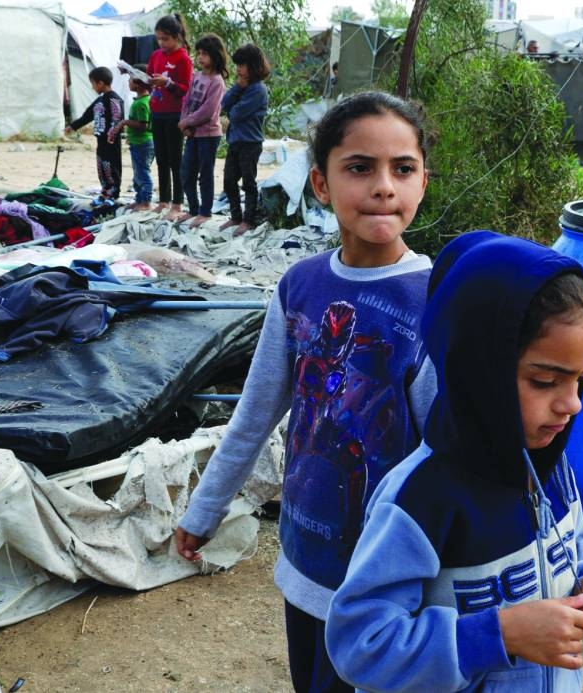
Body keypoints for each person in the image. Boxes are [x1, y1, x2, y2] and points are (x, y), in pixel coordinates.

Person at [174, 91, 437, 693]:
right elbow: (255, 413)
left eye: (403, 168)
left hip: (387, 576)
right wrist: (204, 508)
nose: (383, 187)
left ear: (424, 181)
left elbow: (445, 454)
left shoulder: (433, 301)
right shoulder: (300, 287)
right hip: (304, 557)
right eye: (359, 167)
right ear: (320, 184)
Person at [325, 230, 583, 692]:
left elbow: (558, 567)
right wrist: (501, 634)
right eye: (544, 381)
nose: (572, 404)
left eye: (581, 379)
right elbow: (361, 644)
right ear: (479, 372)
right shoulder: (420, 500)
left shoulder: (550, 470)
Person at [176, 33, 227, 227]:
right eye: (198, 53)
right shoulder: (196, 77)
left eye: (205, 53)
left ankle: (205, 212)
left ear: (215, 55)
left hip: (209, 134)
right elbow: (187, 101)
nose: (200, 57)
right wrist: (184, 123)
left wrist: (188, 122)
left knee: (205, 173)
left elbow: (208, 110)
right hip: (192, 133)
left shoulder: (217, 81)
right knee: (186, 172)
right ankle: (193, 208)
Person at [219, 43, 269, 236]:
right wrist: (237, 89)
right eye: (237, 65)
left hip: (250, 143)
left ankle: (249, 220)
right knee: (229, 181)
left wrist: (232, 107)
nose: (238, 69)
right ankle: (235, 216)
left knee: (249, 182)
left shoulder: (258, 89)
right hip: (235, 141)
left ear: (253, 66)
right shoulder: (241, 86)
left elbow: (237, 113)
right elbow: (223, 104)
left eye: (242, 65)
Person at [147, 14, 193, 218]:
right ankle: (163, 199)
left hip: (175, 114)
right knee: (161, 158)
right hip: (157, 112)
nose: (162, 43)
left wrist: (168, 84)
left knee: (176, 159)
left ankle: (178, 202)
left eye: (165, 38)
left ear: (176, 37)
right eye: (159, 38)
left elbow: (186, 89)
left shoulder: (183, 58)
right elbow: (149, 78)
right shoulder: (156, 56)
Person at [66, 66, 124, 199]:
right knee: (101, 166)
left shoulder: (114, 99)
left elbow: (117, 119)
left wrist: (111, 135)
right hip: (101, 140)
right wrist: (73, 126)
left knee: (111, 167)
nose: (92, 88)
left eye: (93, 84)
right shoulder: (100, 101)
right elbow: (88, 115)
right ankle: (105, 190)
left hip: (111, 141)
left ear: (100, 83)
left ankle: (113, 193)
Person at [109, 66, 154, 210]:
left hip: (143, 143)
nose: (128, 82)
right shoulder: (140, 100)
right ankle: (139, 199)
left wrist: (124, 122)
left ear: (138, 83)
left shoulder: (142, 103)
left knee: (142, 173)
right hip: (138, 142)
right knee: (138, 174)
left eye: (130, 80)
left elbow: (143, 125)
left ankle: (146, 201)